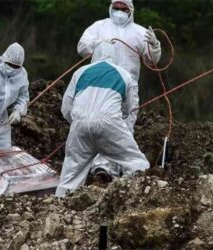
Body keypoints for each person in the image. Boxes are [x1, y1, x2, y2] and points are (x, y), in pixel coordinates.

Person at [77, 0, 161, 179]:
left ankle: (121, 170)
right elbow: (82, 47)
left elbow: (152, 61)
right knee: (103, 121)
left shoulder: (139, 32)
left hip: (129, 85)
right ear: (110, 8)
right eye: (116, 8)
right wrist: (99, 43)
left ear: (131, 10)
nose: (120, 12)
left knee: (125, 126)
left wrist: (154, 45)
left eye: (124, 9)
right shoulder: (99, 27)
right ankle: (102, 168)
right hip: (102, 85)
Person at [55, 42, 150, 197]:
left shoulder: (80, 72)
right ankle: (142, 196)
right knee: (135, 161)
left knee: (70, 174)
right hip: (109, 123)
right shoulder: (124, 74)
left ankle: (59, 207)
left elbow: (66, 107)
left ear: (94, 55)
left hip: (80, 124)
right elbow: (127, 110)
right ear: (115, 56)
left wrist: (78, 123)